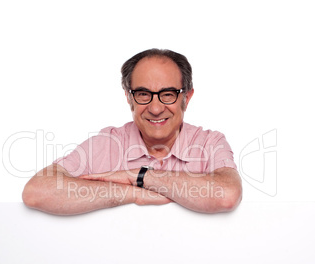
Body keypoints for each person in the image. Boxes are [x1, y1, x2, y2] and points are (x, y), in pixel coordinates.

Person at [22, 49, 242, 215]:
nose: (155, 109)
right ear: (129, 97)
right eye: (143, 94)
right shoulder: (105, 144)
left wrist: (139, 175)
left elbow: (227, 195)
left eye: (168, 94)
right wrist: (133, 192)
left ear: (187, 97)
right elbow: (37, 192)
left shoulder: (209, 143)